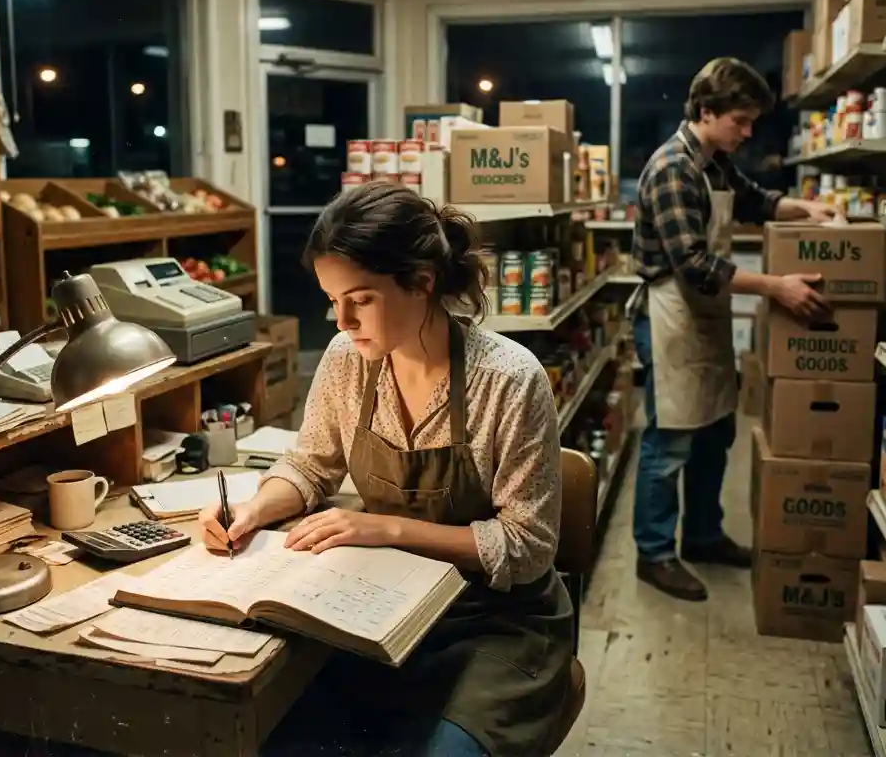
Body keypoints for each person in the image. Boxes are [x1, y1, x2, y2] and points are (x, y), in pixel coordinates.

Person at [199, 181, 573, 757]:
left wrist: (388, 529)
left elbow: (528, 546)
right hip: (381, 609)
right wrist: (253, 509)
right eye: (332, 299)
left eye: (361, 298)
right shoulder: (347, 361)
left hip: (492, 625)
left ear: (422, 282)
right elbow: (309, 464)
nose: (342, 319)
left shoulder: (508, 380)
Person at [630, 56, 835, 602]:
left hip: (704, 317)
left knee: (715, 434)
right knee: (670, 441)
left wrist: (805, 210)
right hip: (672, 315)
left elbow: (755, 199)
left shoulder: (715, 161)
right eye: (740, 122)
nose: (747, 133)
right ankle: (653, 555)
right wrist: (777, 287)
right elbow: (694, 265)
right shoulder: (673, 167)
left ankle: (701, 535)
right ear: (706, 111)